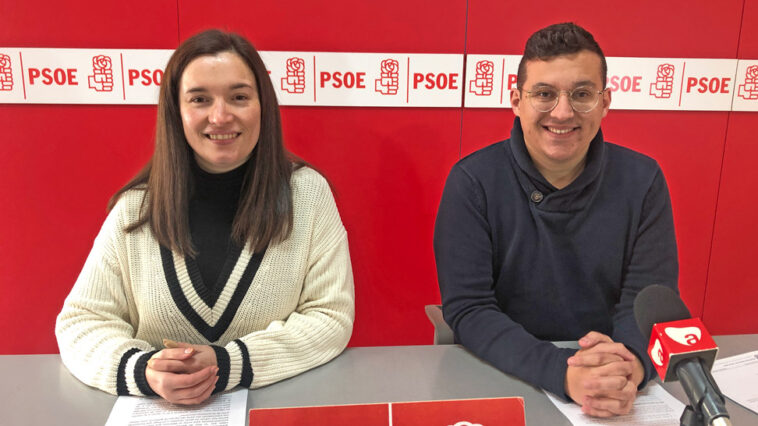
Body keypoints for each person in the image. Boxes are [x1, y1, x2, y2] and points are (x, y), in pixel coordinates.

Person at [56, 29, 355, 405]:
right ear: (176, 112)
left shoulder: (307, 195)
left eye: (239, 97)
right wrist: (144, 371)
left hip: (278, 408)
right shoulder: (136, 209)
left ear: (263, 105)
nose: (220, 116)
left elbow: (330, 316)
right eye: (200, 99)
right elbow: (81, 323)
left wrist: (228, 364)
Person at [434, 22, 678, 418]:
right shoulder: (473, 182)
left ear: (605, 102)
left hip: (612, 383)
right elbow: (470, 309)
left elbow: (647, 300)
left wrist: (630, 367)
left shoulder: (643, 180)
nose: (562, 113)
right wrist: (564, 373)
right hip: (508, 374)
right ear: (517, 101)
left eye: (581, 94)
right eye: (544, 94)